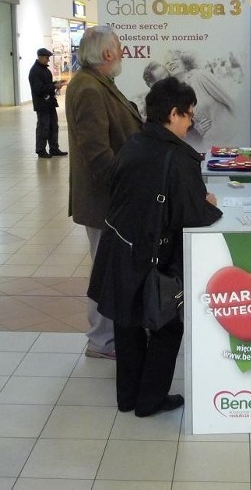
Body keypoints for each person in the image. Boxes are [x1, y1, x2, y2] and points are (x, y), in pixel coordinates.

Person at [89, 77, 222, 416]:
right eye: (189, 115)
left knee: (128, 325)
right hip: (153, 258)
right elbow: (193, 213)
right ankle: (150, 400)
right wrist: (208, 201)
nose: (191, 122)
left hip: (119, 248)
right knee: (166, 326)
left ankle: (128, 397)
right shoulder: (177, 156)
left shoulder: (134, 143)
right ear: (174, 114)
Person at [65, 26, 143, 359]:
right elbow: (96, 153)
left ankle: (108, 337)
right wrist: (126, 187)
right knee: (104, 272)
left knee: (108, 269)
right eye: (120, 49)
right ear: (107, 54)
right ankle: (101, 341)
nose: (123, 54)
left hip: (110, 198)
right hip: (105, 200)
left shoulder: (96, 83)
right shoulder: (88, 88)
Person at [165, 50, 236, 148]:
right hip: (210, 145)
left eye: (174, 59)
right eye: (167, 63)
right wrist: (197, 128)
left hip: (231, 139)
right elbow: (190, 124)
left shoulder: (200, 76)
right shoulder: (178, 93)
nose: (171, 63)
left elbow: (229, 100)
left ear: (184, 62)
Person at [29, 47, 67, 158]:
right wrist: (54, 86)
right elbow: (39, 89)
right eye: (47, 58)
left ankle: (54, 148)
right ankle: (41, 150)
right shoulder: (35, 71)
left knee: (53, 126)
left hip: (50, 103)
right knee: (43, 127)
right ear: (40, 57)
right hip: (42, 104)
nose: (48, 60)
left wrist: (56, 83)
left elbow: (47, 84)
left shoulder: (45, 70)